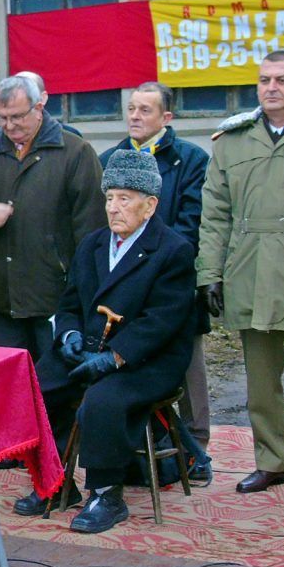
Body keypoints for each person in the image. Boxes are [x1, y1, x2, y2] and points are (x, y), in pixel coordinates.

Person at [14, 150, 197, 532]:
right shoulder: (93, 244)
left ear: (149, 206)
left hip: (148, 359)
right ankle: (55, 480)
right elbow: (68, 302)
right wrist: (68, 334)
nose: (113, 208)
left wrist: (115, 357)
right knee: (36, 386)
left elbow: (161, 322)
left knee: (102, 400)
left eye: (124, 199)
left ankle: (106, 494)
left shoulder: (172, 250)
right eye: (109, 197)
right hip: (92, 346)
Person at [197, 49, 284, 503]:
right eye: (264, 80)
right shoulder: (233, 141)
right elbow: (214, 215)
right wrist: (209, 274)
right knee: (260, 382)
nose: (271, 88)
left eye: (282, 80)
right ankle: (270, 462)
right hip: (250, 271)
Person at [100, 82, 212, 477]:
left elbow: (190, 223)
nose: (134, 116)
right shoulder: (111, 158)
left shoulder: (190, 159)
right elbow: (105, 225)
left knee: (187, 366)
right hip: (123, 285)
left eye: (145, 110)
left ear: (166, 117)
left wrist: (153, 263)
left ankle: (197, 449)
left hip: (172, 279)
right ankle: (142, 447)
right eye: (131, 109)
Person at [0, 74, 105, 361]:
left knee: (56, 387)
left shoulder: (75, 152)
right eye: (2, 118)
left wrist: (82, 294)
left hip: (56, 298)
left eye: (17, 117)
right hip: (4, 298)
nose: (9, 126)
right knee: (10, 385)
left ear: (39, 108)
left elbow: (92, 231)